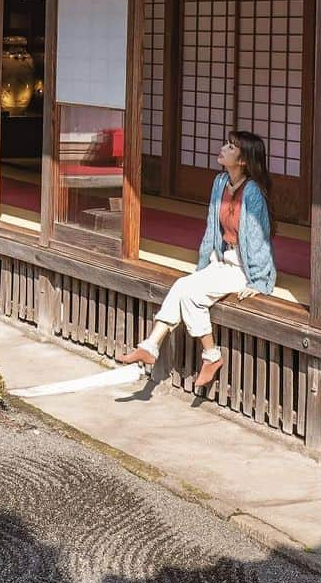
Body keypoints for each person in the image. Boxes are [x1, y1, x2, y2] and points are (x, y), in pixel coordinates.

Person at [118, 130, 276, 389]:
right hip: (221, 260)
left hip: (242, 267)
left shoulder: (253, 193)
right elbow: (211, 228)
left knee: (192, 295)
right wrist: (203, 265)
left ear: (244, 160)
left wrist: (258, 281)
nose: (223, 148)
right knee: (183, 285)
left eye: (230, 147)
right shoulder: (220, 182)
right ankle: (150, 347)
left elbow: (259, 239)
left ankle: (211, 355)